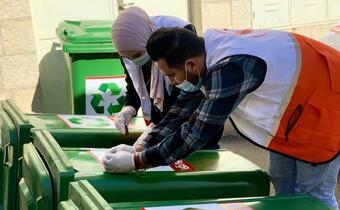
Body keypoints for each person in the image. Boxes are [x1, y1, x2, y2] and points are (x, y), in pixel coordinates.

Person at [104, 27, 340, 209]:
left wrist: (139, 162)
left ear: (190, 65)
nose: (172, 82)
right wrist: (142, 145)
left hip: (325, 104)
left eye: (171, 75)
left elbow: (196, 134)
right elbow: (181, 110)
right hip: (293, 110)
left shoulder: (230, 67)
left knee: (314, 195)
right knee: (283, 182)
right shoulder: (206, 52)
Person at [111, 6, 200, 145]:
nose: (134, 60)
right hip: (163, 122)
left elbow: (185, 94)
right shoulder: (127, 45)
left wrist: (154, 133)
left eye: (137, 55)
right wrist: (128, 108)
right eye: (128, 58)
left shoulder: (176, 40)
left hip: (190, 121)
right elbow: (135, 84)